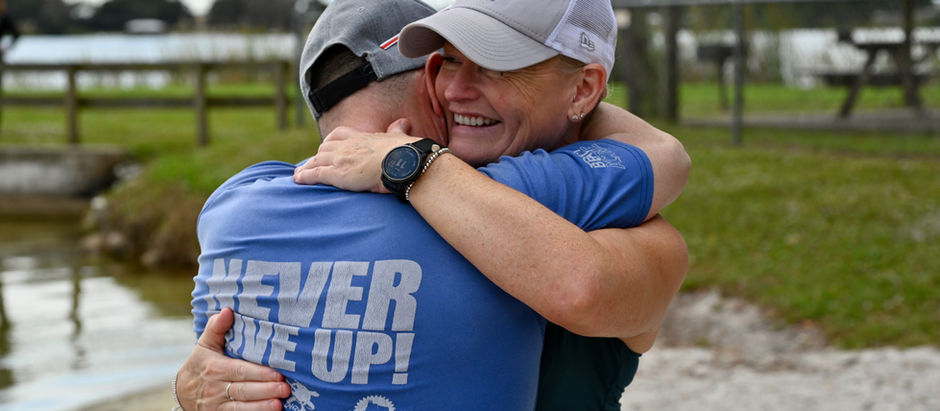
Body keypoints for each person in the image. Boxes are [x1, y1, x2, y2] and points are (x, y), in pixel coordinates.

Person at [176, 0, 688, 409]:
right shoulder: (515, 183)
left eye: (500, 68)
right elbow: (659, 155)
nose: (459, 91)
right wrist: (191, 392)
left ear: (585, 87)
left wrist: (417, 164)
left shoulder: (241, 202)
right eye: (450, 63)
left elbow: (583, 286)